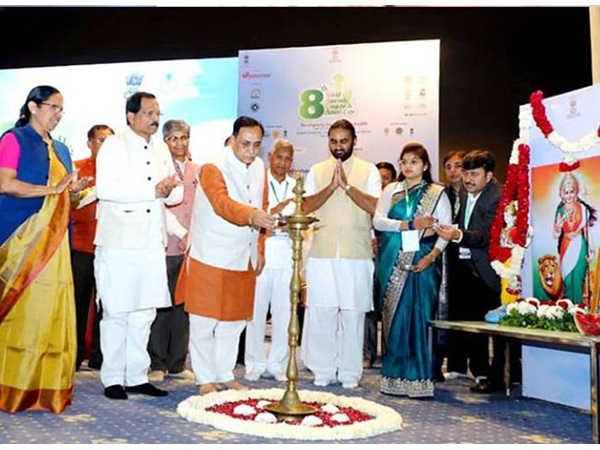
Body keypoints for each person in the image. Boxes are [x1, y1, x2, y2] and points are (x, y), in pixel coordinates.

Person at [0, 85, 89, 413]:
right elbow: (5, 183)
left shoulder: (61, 149)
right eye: (53, 107)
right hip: (22, 240)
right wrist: (52, 190)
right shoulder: (14, 139)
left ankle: (46, 388)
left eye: (61, 109)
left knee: (52, 313)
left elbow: (64, 195)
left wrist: (73, 192)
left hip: (56, 244)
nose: (58, 114)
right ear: (33, 107)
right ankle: (12, 387)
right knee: (24, 314)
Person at [175, 116, 275, 395]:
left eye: (257, 145)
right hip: (211, 253)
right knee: (204, 320)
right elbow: (221, 203)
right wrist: (252, 216)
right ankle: (204, 377)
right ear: (232, 139)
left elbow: (263, 204)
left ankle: (224, 373)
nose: (251, 151)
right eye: (245, 144)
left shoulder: (259, 166)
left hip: (244, 256)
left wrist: (260, 246)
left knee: (233, 321)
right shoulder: (212, 165)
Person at [94, 91, 183, 400]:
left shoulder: (160, 147)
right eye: (148, 113)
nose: (154, 119)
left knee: (145, 312)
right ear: (131, 116)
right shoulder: (113, 145)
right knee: (117, 311)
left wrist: (169, 190)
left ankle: (136, 376)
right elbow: (106, 189)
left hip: (150, 242)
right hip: (119, 241)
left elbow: (174, 194)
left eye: (157, 113)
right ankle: (112, 378)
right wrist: (152, 190)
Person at [301, 118, 381, 389]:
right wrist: (330, 187)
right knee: (321, 313)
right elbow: (305, 207)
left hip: (355, 253)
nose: (338, 147)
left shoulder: (369, 171)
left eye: (343, 141)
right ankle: (323, 370)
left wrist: (347, 187)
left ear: (354, 142)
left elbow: (376, 208)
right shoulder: (317, 170)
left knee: (352, 315)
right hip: (322, 252)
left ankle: (349, 373)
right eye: (333, 141)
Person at [373, 142, 451, 397]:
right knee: (395, 317)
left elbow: (446, 230)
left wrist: (432, 256)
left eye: (414, 162)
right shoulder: (391, 190)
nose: (408, 166)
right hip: (393, 260)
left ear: (425, 166)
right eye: (404, 161)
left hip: (424, 260)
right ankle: (393, 376)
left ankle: (419, 378)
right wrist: (408, 224)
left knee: (419, 317)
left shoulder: (437, 193)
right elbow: (378, 221)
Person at [436, 150, 505, 393]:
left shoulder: (497, 197)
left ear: (489, 175)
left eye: (474, 174)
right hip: (466, 266)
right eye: (465, 173)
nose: (467, 179)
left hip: (490, 269)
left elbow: (486, 236)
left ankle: (498, 377)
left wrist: (457, 234)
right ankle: (478, 371)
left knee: (495, 328)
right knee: (471, 323)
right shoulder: (465, 192)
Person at [146, 120, 198, 383]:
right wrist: (181, 233)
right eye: (173, 138)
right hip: (165, 246)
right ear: (165, 141)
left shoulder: (198, 170)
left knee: (183, 306)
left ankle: (177, 363)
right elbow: (159, 208)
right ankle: (157, 363)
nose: (179, 143)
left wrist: (195, 237)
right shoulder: (157, 168)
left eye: (183, 137)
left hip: (191, 249)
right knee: (161, 306)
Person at [244, 139, 296, 382]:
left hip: (287, 255)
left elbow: (302, 221)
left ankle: (278, 365)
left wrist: (289, 224)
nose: (283, 163)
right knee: (255, 313)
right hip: (262, 253)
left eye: (288, 158)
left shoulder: (297, 187)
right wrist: (276, 213)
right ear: (270, 156)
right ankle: (254, 363)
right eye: (279, 157)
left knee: (284, 314)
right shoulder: (258, 181)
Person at [71, 124, 115, 372]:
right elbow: (69, 203)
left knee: (108, 304)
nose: (106, 146)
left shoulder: (121, 170)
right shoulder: (77, 168)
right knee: (78, 302)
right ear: (90, 143)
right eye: (101, 140)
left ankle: (101, 355)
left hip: (111, 246)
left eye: (110, 141)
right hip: (82, 245)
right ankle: (74, 354)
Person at [365, 161, 398, 368]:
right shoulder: (366, 199)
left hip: (391, 255)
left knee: (389, 304)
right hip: (369, 255)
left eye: (386, 177)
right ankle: (367, 353)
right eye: (379, 178)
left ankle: (389, 353)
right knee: (368, 304)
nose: (383, 182)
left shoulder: (397, 200)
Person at [438, 149, 467, 381]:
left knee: (471, 312)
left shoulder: (473, 193)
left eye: (458, 166)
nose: (454, 171)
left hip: (470, 256)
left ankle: (478, 367)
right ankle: (455, 364)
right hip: (446, 256)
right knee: (449, 311)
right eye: (448, 167)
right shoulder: (441, 195)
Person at [553, 170, 596, 304]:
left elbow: (586, 229)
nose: (569, 195)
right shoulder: (560, 210)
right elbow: (556, 234)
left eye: (572, 191)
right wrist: (558, 227)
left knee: (578, 277)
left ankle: (578, 308)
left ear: (576, 191)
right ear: (561, 193)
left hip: (579, 244)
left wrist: (591, 248)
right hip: (566, 245)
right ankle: (569, 307)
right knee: (568, 279)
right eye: (566, 192)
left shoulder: (582, 208)